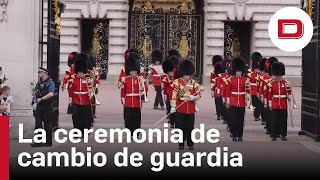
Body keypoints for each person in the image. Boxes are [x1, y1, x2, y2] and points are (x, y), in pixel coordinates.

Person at [170, 59, 202, 150]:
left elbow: (199, 95)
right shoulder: (177, 83)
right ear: (182, 74)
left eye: (188, 75)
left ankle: (190, 143)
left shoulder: (194, 84)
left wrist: (194, 97)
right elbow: (174, 96)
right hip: (180, 108)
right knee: (180, 127)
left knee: (190, 127)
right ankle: (181, 143)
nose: (187, 77)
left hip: (190, 108)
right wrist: (173, 106)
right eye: (185, 75)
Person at [120, 52, 148, 134]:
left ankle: (136, 132)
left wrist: (143, 91)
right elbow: (123, 90)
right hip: (128, 101)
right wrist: (123, 99)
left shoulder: (140, 79)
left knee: (137, 118)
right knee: (128, 118)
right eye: (131, 71)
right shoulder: (125, 79)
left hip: (136, 101)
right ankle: (129, 131)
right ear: (129, 71)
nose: (133, 73)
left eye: (134, 71)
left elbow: (145, 89)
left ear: (137, 71)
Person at [69, 53, 94, 135]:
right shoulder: (73, 80)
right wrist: (70, 99)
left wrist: (90, 94)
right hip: (76, 100)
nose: (80, 74)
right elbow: (71, 90)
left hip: (85, 101)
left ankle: (84, 131)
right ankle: (77, 131)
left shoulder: (87, 80)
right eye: (79, 72)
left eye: (81, 72)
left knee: (85, 117)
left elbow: (90, 89)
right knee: (76, 117)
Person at [31, 67, 56, 147]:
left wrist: (41, 99)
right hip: (39, 106)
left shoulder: (50, 82)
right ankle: (39, 141)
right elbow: (36, 91)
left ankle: (48, 142)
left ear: (44, 73)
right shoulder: (39, 83)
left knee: (47, 124)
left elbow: (51, 94)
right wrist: (34, 94)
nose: (39, 74)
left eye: (40, 73)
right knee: (38, 124)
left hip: (47, 106)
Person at [226, 58, 249, 141]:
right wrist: (228, 102)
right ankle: (234, 134)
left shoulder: (245, 80)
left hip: (242, 102)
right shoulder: (231, 80)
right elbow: (228, 91)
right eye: (237, 71)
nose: (239, 73)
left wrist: (248, 101)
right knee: (234, 119)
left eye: (240, 71)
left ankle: (240, 135)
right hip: (233, 101)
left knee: (241, 120)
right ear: (235, 71)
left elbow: (248, 91)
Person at [268, 62, 291, 141]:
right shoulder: (271, 83)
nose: (278, 77)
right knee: (274, 120)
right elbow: (270, 95)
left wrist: (289, 96)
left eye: (279, 75)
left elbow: (289, 92)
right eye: (277, 75)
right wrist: (270, 104)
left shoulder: (286, 83)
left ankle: (283, 134)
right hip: (275, 103)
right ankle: (274, 135)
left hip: (283, 103)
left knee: (283, 120)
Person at [261, 57, 279, 135]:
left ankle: (275, 130)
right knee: (269, 115)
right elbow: (264, 89)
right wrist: (264, 99)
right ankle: (269, 128)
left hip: (277, 100)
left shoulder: (278, 79)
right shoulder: (266, 78)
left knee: (275, 116)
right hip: (269, 99)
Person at [247, 52, 262, 121]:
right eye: (256, 68)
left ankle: (258, 115)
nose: (257, 69)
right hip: (253, 91)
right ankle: (256, 115)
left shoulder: (261, 74)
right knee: (255, 104)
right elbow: (248, 82)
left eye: (258, 68)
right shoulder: (250, 74)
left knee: (260, 104)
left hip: (260, 91)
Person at [162, 57, 176, 128]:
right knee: (169, 108)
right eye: (169, 72)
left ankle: (174, 120)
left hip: (175, 95)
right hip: (168, 95)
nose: (170, 73)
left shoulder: (176, 78)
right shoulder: (166, 78)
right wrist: (165, 95)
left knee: (175, 109)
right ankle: (171, 121)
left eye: (171, 72)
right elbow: (165, 87)